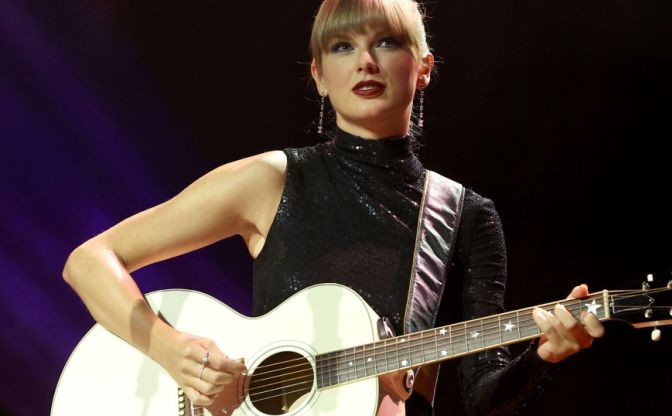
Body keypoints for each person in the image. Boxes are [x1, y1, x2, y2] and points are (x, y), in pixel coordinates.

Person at [62, 0, 604, 414]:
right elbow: (89, 261)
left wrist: (542, 357)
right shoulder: (270, 180)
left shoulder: (465, 214)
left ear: (424, 66)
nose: (365, 61)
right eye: (342, 47)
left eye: (387, 43)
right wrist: (170, 350)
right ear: (319, 75)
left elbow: (481, 394)